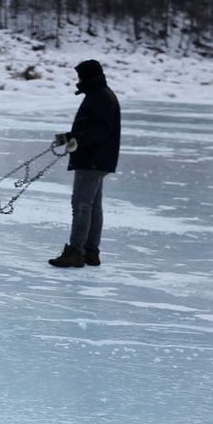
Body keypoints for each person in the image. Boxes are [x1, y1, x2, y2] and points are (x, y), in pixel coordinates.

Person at [48, 59, 121, 268]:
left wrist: (76, 140)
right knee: (93, 206)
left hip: (93, 160)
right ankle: (90, 251)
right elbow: (92, 127)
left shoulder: (101, 97)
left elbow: (100, 129)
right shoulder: (99, 94)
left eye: (80, 76)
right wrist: (69, 137)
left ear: (89, 77)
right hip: (97, 159)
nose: (78, 81)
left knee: (81, 205)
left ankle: (76, 251)